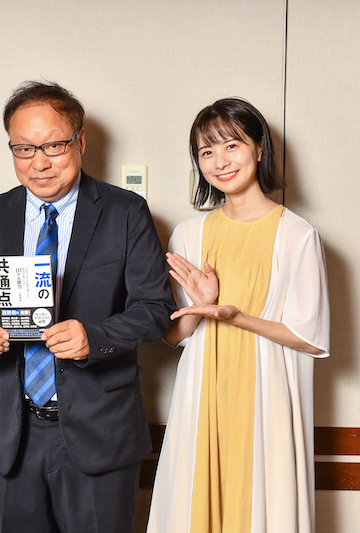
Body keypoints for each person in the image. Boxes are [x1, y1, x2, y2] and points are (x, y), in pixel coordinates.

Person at [0, 81, 176, 533]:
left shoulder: (125, 212)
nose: (40, 162)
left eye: (53, 145)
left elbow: (155, 307)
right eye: (24, 149)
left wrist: (96, 337)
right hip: (17, 433)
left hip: (100, 431)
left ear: (80, 140)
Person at [147, 98, 330, 533]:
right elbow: (173, 337)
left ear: (260, 149)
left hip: (267, 394)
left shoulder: (297, 234)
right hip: (201, 393)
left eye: (232, 145)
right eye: (206, 151)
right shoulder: (189, 234)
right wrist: (200, 305)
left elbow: (310, 338)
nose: (220, 161)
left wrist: (235, 316)